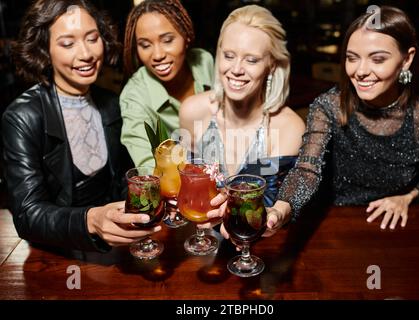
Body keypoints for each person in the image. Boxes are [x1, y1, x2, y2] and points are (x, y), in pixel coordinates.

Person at [268, 5, 419, 233]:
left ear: (406, 59)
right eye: (352, 58)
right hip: (334, 223)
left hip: (394, 226)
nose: (360, 71)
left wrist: (408, 196)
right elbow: (307, 169)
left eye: (377, 59)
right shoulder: (328, 107)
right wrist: (281, 209)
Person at [2, 0, 159, 253]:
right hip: (55, 253)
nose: (86, 54)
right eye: (67, 43)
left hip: (114, 247)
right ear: (44, 50)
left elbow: (121, 180)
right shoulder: (22, 117)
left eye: (92, 38)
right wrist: (91, 220)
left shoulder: (111, 103)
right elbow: (27, 215)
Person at [179, 5, 305, 222]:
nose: (236, 69)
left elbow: (285, 205)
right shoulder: (192, 111)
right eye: (229, 55)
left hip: (259, 245)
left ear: (272, 65)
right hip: (201, 243)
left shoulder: (289, 127)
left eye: (251, 60)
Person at [120, 0, 214, 167]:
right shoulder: (134, 95)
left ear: (186, 36)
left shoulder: (205, 62)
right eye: (145, 45)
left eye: (167, 40)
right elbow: (147, 167)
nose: (157, 55)